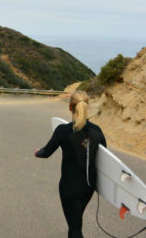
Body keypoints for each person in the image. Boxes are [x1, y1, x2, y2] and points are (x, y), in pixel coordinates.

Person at [35, 90, 107, 238]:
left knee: (75, 228)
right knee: (75, 222)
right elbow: (104, 157)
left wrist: (37, 152)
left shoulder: (63, 130)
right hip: (89, 186)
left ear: (70, 108)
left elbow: (46, 153)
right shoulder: (97, 131)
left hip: (70, 186)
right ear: (87, 106)